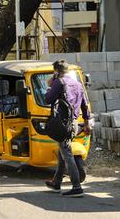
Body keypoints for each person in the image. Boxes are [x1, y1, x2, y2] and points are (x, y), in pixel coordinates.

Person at [44, 59, 91, 198]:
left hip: (63, 124)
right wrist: (87, 123)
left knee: (67, 153)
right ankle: (56, 182)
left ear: (56, 71)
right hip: (75, 123)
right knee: (63, 150)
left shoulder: (59, 82)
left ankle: (77, 187)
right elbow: (84, 106)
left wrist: (49, 86)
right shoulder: (77, 84)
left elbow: (48, 99)